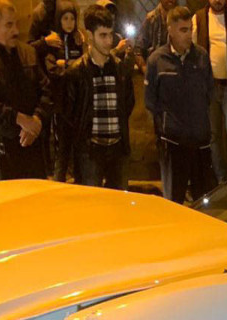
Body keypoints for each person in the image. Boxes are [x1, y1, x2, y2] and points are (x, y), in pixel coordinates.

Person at [0, 0, 52, 181]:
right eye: (9, 25)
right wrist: (19, 118)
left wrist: (37, 120)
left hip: (32, 145)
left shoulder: (28, 53)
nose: (15, 30)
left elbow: (46, 91)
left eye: (16, 24)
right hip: (2, 147)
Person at [146, 6, 217, 202]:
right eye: (183, 30)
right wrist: (165, 128)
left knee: (204, 201)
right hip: (173, 142)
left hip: (200, 141)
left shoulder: (201, 56)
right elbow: (151, 101)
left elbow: (209, 91)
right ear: (170, 29)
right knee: (174, 200)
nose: (188, 35)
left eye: (190, 30)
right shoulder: (157, 60)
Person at [62, 4, 135, 190]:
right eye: (103, 35)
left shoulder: (118, 68)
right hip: (91, 150)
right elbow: (69, 115)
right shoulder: (78, 72)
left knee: (119, 205)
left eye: (111, 34)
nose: (108, 41)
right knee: (91, 204)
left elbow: (128, 102)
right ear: (89, 35)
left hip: (117, 148)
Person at [194, 0, 227, 180]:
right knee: (213, 136)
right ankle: (221, 179)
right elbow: (192, 52)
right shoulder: (199, 19)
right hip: (209, 88)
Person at [32, 0, 83, 181]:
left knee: (75, 142)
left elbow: (83, 65)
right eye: (65, 19)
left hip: (76, 100)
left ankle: (77, 177)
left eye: (72, 19)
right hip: (59, 100)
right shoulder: (54, 42)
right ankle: (57, 177)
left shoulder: (78, 41)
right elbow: (52, 67)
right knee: (59, 142)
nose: (69, 23)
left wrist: (68, 65)